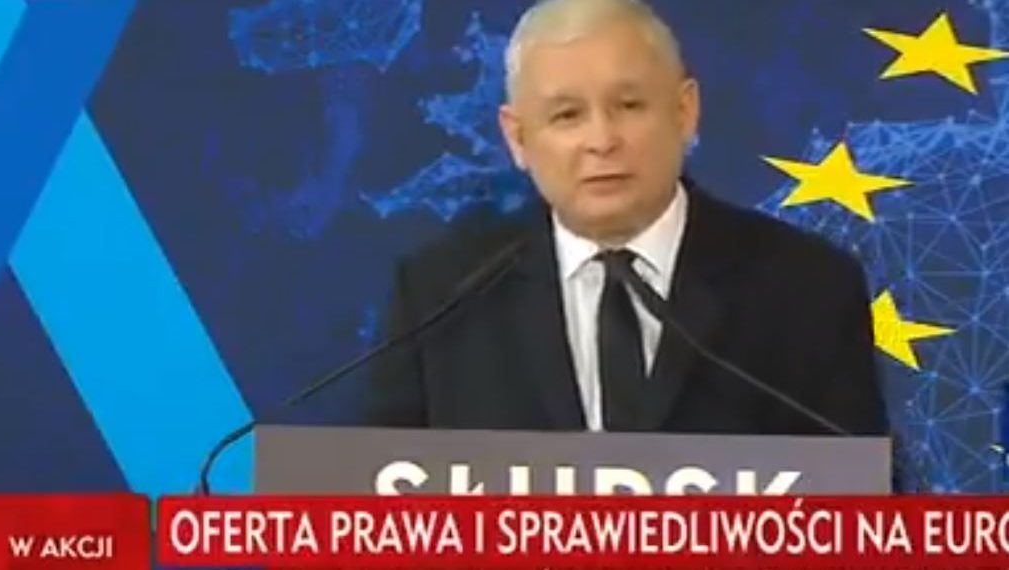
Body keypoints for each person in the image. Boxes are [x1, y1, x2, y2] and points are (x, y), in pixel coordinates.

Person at [362, 0, 889, 437]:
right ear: (518, 137)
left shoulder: (807, 287)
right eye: (567, 115)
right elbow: (378, 502)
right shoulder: (441, 296)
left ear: (685, 112)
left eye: (630, 106)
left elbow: (862, 502)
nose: (601, 140)